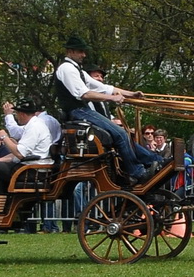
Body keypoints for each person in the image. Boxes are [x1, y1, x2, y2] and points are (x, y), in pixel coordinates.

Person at [51, 37, 159, 182]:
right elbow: (84, 93)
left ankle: (152, 160)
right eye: (81, 51)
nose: (84, 55)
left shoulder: (78, 70)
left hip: (80, 110)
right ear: (70, 51)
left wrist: (130, 94)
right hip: (77, 111)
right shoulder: (67, 69)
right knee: (120, 134)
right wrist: (112, 98)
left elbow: (103, 88)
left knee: (122, 135)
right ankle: (136, 171)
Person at [0, 101, 57, 194]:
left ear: (22, 114)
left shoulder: (34, 127)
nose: (16, 116)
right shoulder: (33, 124)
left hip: (33, 171)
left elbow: (20, 153)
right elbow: (15, 133)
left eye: (16, 114)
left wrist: (5, 137)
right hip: (29, 167)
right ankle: (4, 199)